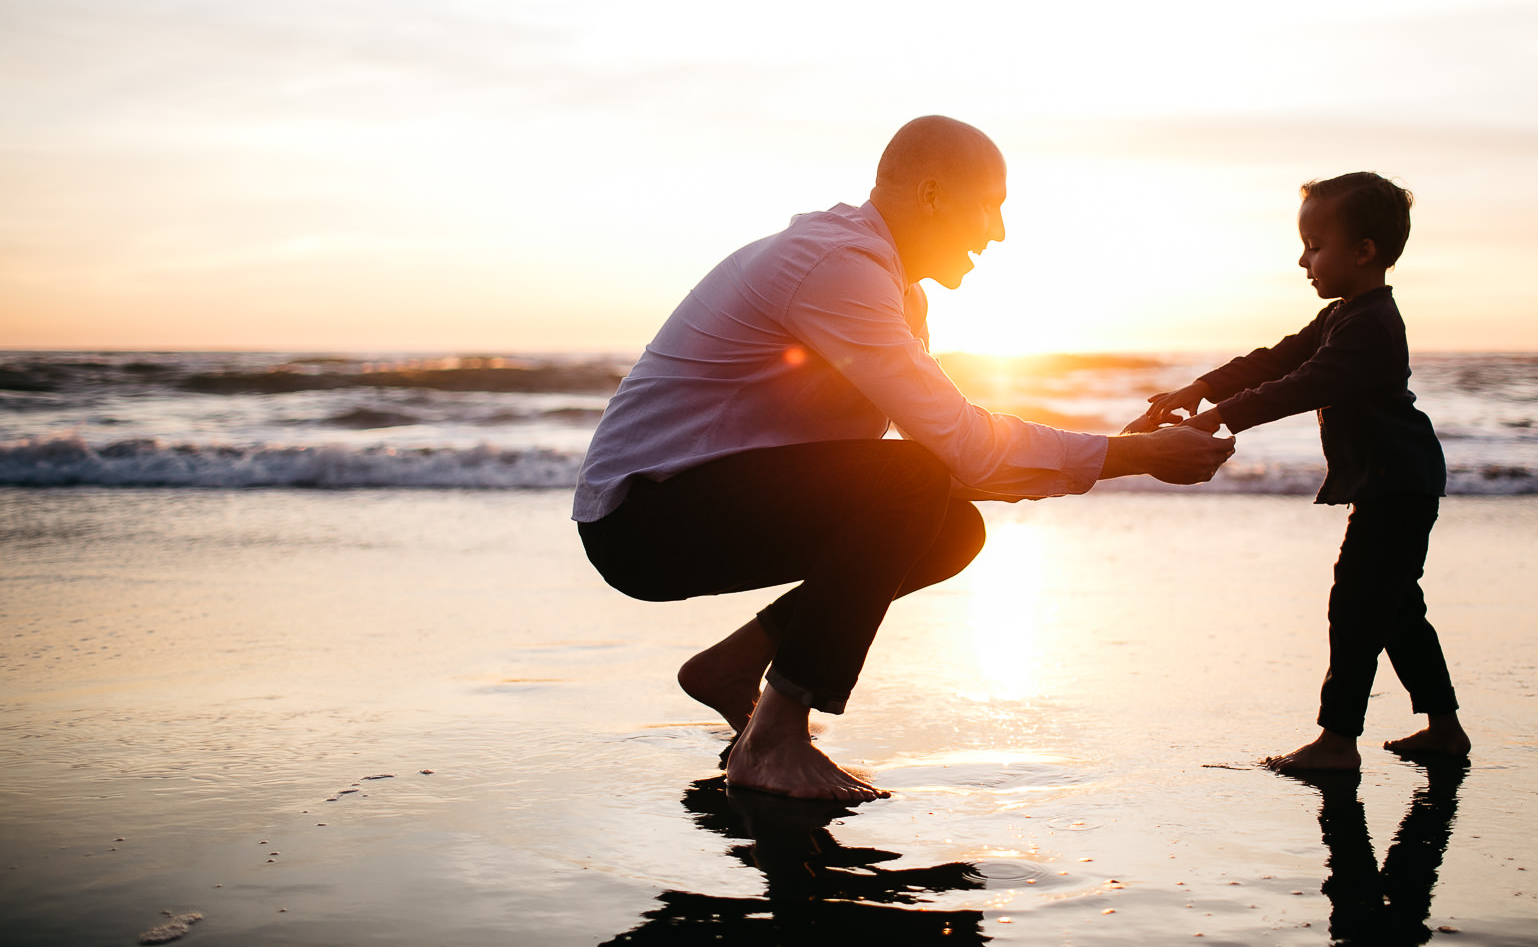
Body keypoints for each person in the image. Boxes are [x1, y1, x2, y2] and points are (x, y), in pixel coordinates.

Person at [575, 115, 1235, 802]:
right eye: (989, 206)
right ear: (931, 196)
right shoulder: (838, 267)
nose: (998, 232)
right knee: (913, 483)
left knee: (950, 528)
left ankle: (733, 668)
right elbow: (960, 450)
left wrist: (1120, 453)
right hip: (642, 518)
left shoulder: (893, 287)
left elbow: (952, 460)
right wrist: (1137, 454)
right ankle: (774, 741)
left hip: (694, 503)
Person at [1129, 171, 1468, 771]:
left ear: (1363, 252)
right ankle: (1444, 730)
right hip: (1392, 482)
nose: (1302, 260)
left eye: (1314, 246)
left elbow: (1300, 386)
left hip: (1399, 485)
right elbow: (1275, 360)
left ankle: (1338, 742)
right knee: (1395, 608)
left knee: (1357, 605)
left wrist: (1215, 418)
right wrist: (1199, 388)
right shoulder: (1343, 315)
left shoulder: (1371, 326)